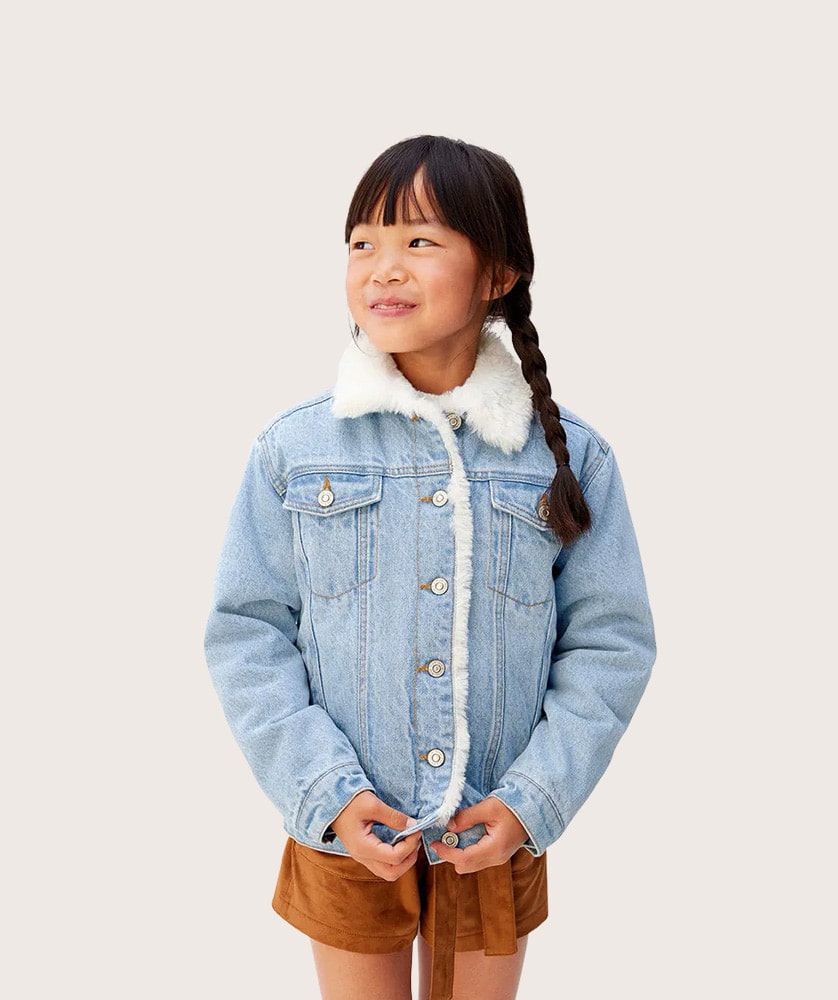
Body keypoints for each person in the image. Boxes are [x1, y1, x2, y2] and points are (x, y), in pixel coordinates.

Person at [204, 134, 656, 1000]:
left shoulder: (569, 459)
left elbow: (611, 644)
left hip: (495, 827)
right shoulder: (295, 449)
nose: (383, 267)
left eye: (419, 240)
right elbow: (246, 635)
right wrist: (326, 792)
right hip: (345, 831)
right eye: (362, 243)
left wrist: (530, 800)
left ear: (498, 273)